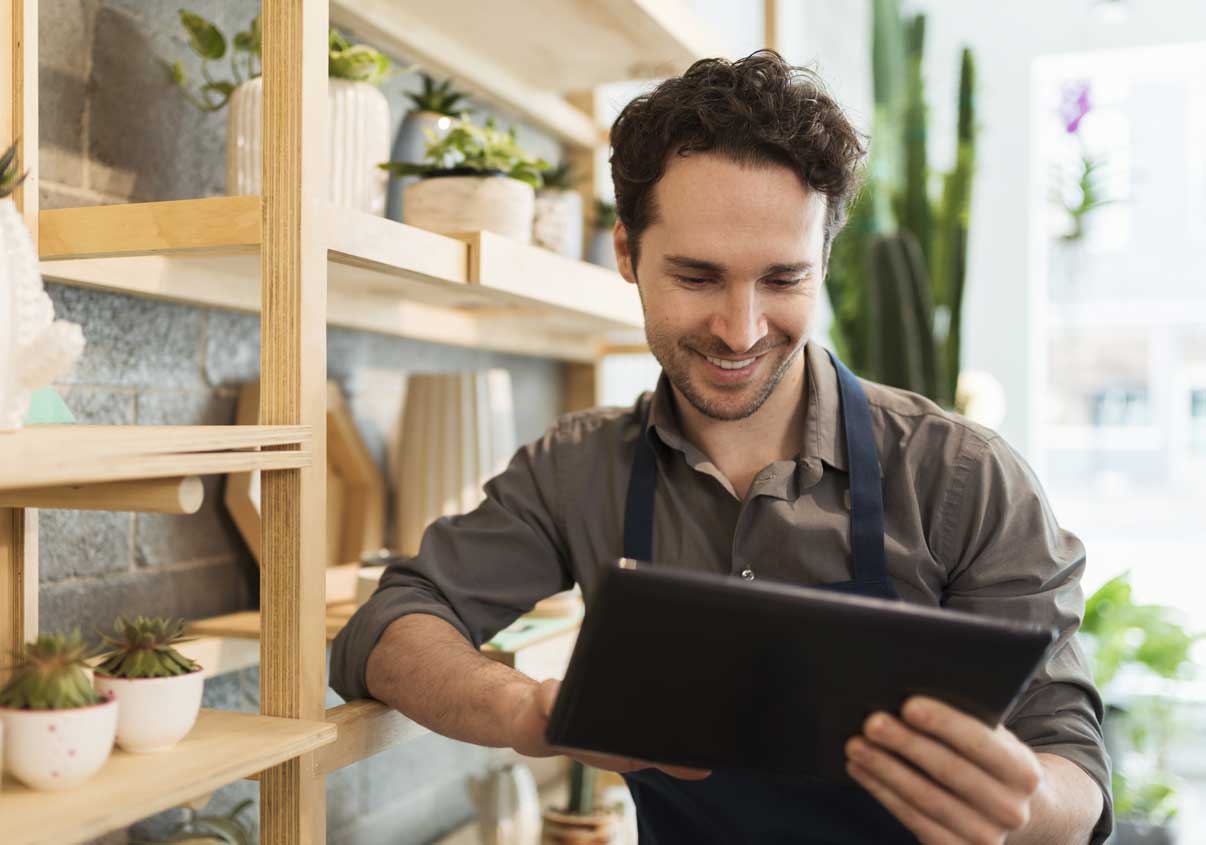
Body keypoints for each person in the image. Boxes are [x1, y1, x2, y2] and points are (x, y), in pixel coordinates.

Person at [331, 51, 1111, 844]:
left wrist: (1023, 803)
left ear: (824, 263)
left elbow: (1072, 770)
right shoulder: (578, 470)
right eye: (698, 278)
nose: (741, 331)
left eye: (782, 279)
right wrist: (533, 711)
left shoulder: (963, 476)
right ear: (628, 256)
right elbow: (390, 624)